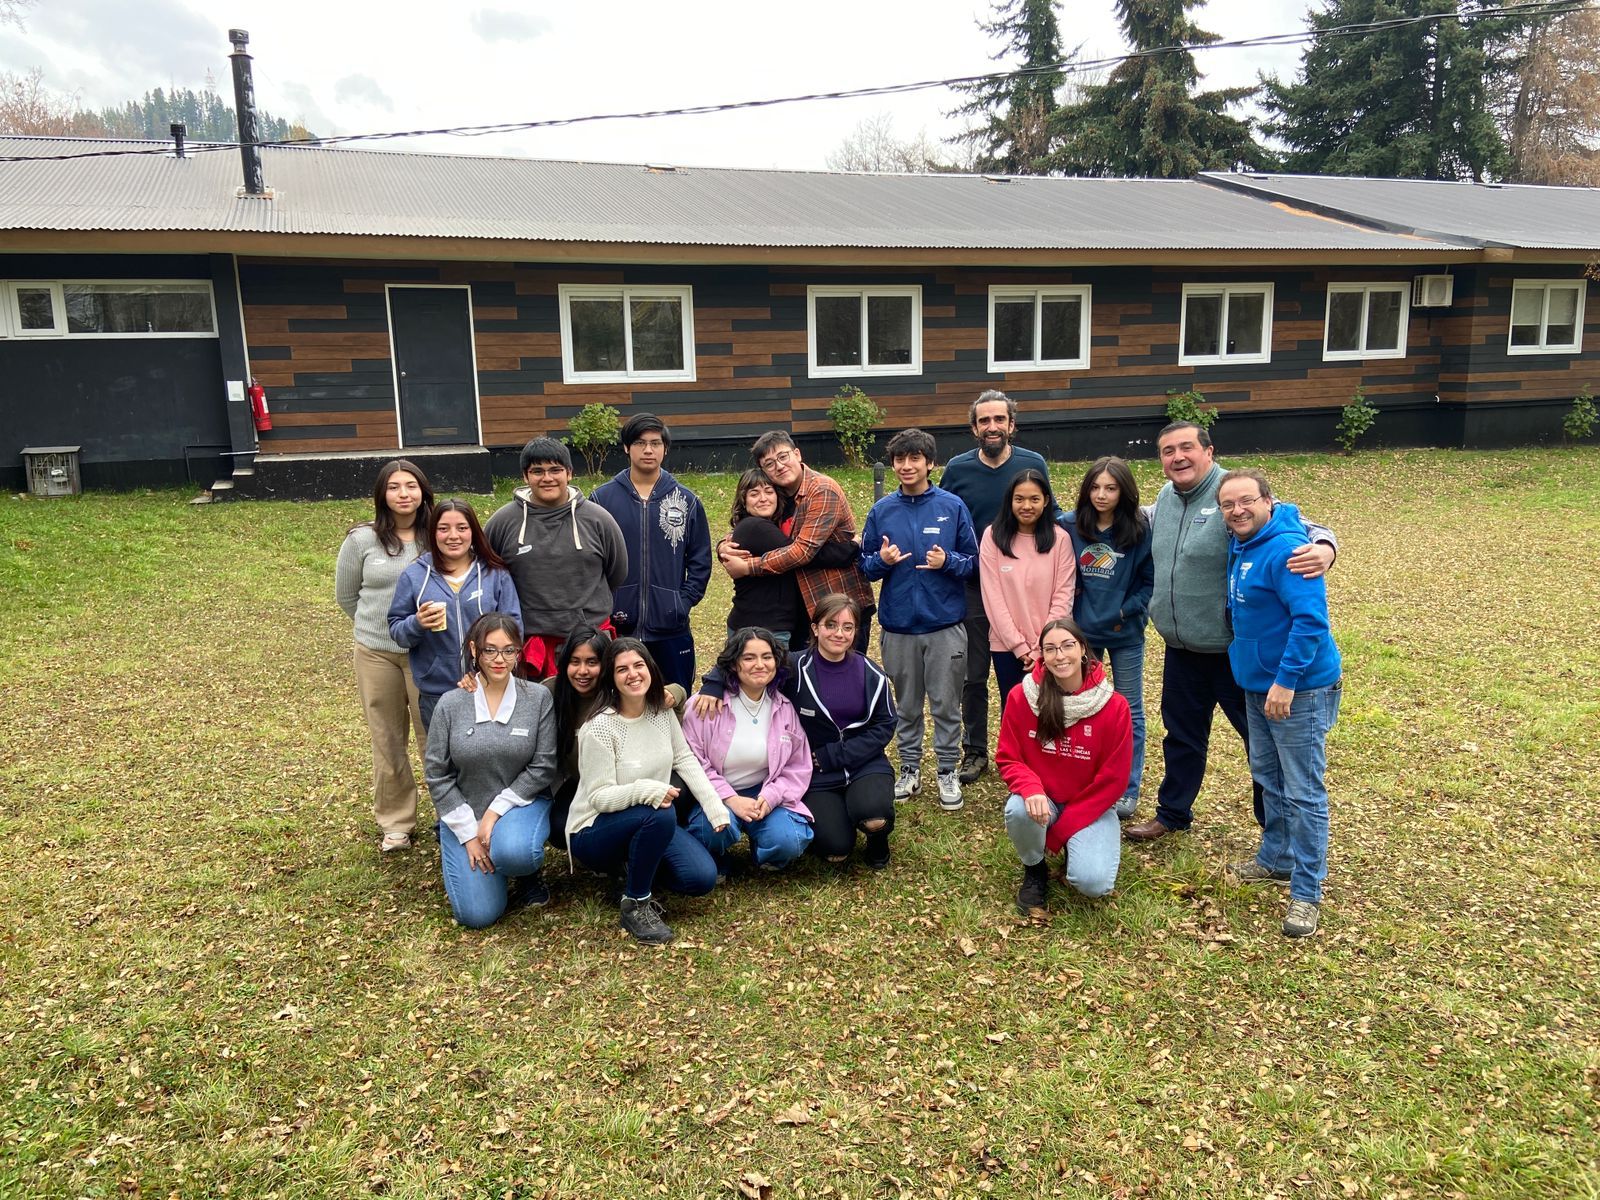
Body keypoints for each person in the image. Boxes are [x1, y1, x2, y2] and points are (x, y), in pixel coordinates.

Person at [1125, 422, 1337, 843]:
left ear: (1209, 451)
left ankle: (1275, 832)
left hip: (1234, 652)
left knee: (1263, 746)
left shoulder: (1231, 495)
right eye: (1168, 451)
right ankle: (1173, 813)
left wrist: (1327, 546)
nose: (1178, 457)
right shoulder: (1164, 501)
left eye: (1187, 447)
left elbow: (1295, 522)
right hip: (1181, 647)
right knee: (1182, 735)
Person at [1218, 469, 1343, 938]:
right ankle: (1276, 857)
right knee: (1267, 777)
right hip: (1255, 683)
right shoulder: (1242, 543)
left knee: (1303, 790)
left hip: (1298, 689)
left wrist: (1286, 682)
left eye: (1247, 501)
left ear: (1269, 501)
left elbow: (1310, 622)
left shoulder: (1291, 551)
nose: (1238, 510)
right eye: (1229, 504)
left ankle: (1307, 892)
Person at [695, 594, 896, 869]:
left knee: (874, 816)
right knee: (835, 851)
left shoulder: (872, 673)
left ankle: (875, 836)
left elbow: (885, 725)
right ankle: (838, 821)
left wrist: (836, 754)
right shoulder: (793, 667)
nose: (839, 633)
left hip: (862, 762)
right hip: (817, 772)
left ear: (856, 632)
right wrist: (713, 684)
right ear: (815, 628)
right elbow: (750, 660)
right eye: (831, 625)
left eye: (847, 627)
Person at [566, 639, 730, 945]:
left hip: (649, 819)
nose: (633, 674)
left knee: (700, 878)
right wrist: (645, 790)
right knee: (660, 812)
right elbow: (599, 797)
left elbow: (683, 759)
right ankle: (636, 902)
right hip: (594, 830)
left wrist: (715, 806)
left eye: (639, 665)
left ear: (651, 669)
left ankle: (636, 868)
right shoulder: (599, 727)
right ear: (611, 679)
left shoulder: (661, 713)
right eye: (622, 669)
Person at [939, 390, 1055, 784]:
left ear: (1011, 425)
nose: (992, 427)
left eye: (999, 420)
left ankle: (1021, 746)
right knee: (973, 675)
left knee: (1022, 670)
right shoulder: (957, 469)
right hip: (972, 586)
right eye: (984, 421)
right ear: (974, 427)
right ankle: (975, 750)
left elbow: (1047, 518)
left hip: (1020, 587)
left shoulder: (1032, 463)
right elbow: (945, 518)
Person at [860, 428, 978, 812]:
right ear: (893, 465)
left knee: (946, 704)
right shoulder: (881, 511)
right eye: (900, 459)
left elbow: (974, 563)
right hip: (898, 628)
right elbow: (865, 567)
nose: (907, 466)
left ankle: (946, 769)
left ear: (930, 463)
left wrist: (949, 563)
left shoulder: (952, 507)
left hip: (944, 626)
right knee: (906, 706)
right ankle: (909, 769)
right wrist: (883, 561)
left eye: (915, 459)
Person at [424, 612, 558, 928]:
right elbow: (436, 773)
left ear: (519, 652)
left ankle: (521, 870)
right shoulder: (451, 703)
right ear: (474, 650)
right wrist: (469, 833)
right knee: (478, 915)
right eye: (490, 650)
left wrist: (495, 812)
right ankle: (473, 855)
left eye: (509, 650)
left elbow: (543, 766)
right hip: (466, 811)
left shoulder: (538, 698)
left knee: (516, 852)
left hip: (520, 805)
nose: (500, 659)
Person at [996, 618, 1133, 917]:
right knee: (1018, 808)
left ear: (1083, 649)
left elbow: (1114, 781)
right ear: (1041, 656)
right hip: (1043, 800)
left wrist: (1060, 834)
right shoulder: (1023, 696)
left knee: (1092, 883)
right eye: (1050, 648)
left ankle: (1072, 842)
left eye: (1068, 645)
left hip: (1091, 806)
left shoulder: (1114, 706)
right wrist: (1030, 788)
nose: (1060, 656)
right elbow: (1008, 756)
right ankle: (1035, 868)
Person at [334, 458, 434, 853]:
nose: (403, 494)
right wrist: (379, 629)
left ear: (423, 491)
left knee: (435, 737)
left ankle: (449, 814)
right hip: (377, 653)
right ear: (382, 494)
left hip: (428, 652)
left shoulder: (437, 535)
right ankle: (397, 822)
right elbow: (347, 597)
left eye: (410, 485)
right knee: (388, 739)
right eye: (394, 487)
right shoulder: (362, 541)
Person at [483, 437, 628, 680]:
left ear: (569, 473)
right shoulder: (502, 523)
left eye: (555, 470)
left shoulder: (599, 519)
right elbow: (489, 578)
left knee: (592, 715)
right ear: (525, 477)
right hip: (529, 645)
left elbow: (617, 572)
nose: (547, 478)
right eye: (537, 471)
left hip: (589, 642)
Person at [718, 431, 875, 653]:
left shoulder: (821, 489)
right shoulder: (778, 494)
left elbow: (802, 551)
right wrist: (724, 546)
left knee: (842, 679)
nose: (779, 466)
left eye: (783, 457)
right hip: (802, 609)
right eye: (769, 464)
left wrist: (747, 567)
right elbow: (755, 530)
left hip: (836, 605)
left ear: (797, 454)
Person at [1059, 457, 1153, 819]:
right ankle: (1086, 780)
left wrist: (1125, 610)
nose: (1101, 495)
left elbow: (1149, 582)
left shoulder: (1140, 530)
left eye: (1111, 488)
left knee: (1129, 710)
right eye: (1095, 487)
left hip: (1124, 632)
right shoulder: (1068, 526)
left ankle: (1127, 788)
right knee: (1083, 707)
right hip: (1082, 636)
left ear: (1124, 492)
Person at [589, 414, 711, 692]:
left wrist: (682, 602)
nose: (648, 450)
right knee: (619, 702)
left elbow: (700, 560)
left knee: (673, 701)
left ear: (665, 448)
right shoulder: (602, 500)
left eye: (655, 443)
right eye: (640, 443)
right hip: (618, 627)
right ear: (626, 448)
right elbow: (592, 561)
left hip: (670, 628)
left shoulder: (686, 501)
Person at [541, 625, 687, 853]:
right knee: (560, 826)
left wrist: (676, 692)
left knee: (677, 789)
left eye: (592, 662)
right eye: (574, 661)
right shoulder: (552, 692)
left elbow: (664, 697)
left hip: (635, 778)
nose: (582, 671)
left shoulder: (621, 692)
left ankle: (658, 838)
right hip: (588, 785)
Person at [679, 628, 814, 873]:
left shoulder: (783, 708)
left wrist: (770, 797)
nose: (759, 664)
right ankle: (714, 856)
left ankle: (763, 848)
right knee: (713, 830)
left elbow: (798, 765)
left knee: (789, 840)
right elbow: (692, 762)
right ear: (734, 664)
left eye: (766, 657)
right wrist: (730, 799)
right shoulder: (704, 706)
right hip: (717, 791)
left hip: (762, 790)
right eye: (749, 658)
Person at [388, 499, 522, 730]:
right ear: (432, 533)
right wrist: (417, 623)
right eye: (443, 528)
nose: (453, 536)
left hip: (489, 687)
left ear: (473, 531)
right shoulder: (415, 575)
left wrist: (482, 671)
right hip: (437, 691)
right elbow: (397, 631)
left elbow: (514, 627)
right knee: (444, 760)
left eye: (462, 528)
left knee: (489, 756)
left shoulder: (494, 573)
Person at [979, 468, 1076, 713]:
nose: (1027, 505)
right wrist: (1020, 647)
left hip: (1053, 648)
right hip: (1007, 647)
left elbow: (1063, 597)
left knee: (1054, 713)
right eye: (1019, 498)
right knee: (1015, 713)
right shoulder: (992, 536)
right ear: (1009, 500)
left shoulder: (1060, 539)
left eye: (1034, 499)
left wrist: (1042, 648)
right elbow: (993, 597)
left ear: (1046, 502)